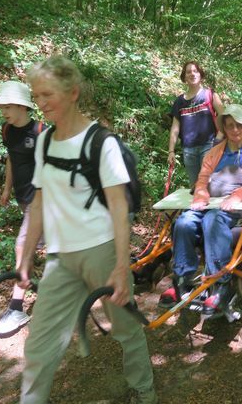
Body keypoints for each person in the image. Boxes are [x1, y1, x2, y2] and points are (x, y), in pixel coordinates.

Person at [17, 56, 156, 404]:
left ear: (73, 92)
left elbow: (120, 210)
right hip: (60, 258)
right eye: (37, 96)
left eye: (48, 94)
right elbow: (38, 203)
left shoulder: (101, 143)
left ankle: (144, 389)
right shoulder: (45, 143)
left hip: (102, 252)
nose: (41, 103)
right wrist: (25, 254)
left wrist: (122, 267)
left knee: (125, 328)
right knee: (39, 343)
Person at [158, 104, 242, 314]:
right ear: (223, 129)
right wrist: (200, 195)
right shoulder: (215, 152)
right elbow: (202, 179)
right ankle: (182, 279)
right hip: (210, 202)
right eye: (229, 126)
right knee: (184, 223)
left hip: (237, 206)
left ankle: (220, 285)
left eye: (239, 125)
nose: (234, 130)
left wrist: (236, 197)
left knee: (212, 220)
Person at [0, 80, 44, 336]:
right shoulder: (7, 131)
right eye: (1, 108)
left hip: (43, 202)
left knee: (23, 247)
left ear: (23, 106)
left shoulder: (42, 132)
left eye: (7, 106)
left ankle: (16, 307)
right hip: (24, 201)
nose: (4, 112)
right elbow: (12, 158)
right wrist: (6, 189)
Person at [168, 61, 225, 187]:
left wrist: (218, 139)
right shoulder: (179, 101)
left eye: (195, 71)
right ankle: (196, 207)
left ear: (200, 75)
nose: (192, 74)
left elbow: (224, 117)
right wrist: (171, 151)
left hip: (208, 146)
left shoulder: (210, 95)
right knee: (194, 186)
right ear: (184, 77)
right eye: (188, 72)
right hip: (188, 150)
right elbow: (175, 128)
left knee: (209, 184)